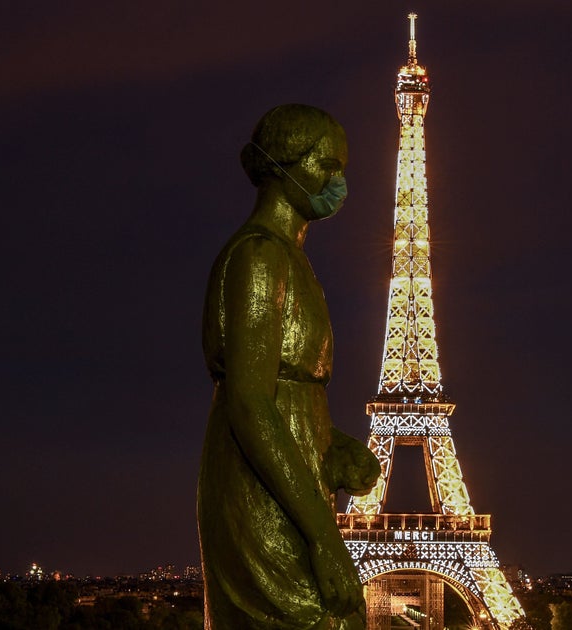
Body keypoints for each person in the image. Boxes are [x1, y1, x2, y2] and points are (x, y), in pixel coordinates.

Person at [198, 104, 380, 630]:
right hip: (261, 490)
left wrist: (332, 441)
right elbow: (252, 402)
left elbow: (282, 393)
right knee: (329, 619)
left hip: (287, 471)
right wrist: (324, 537)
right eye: (326, 165)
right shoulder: (259, 257)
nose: (338, 181)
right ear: (283, 168)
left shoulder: (288, 258)